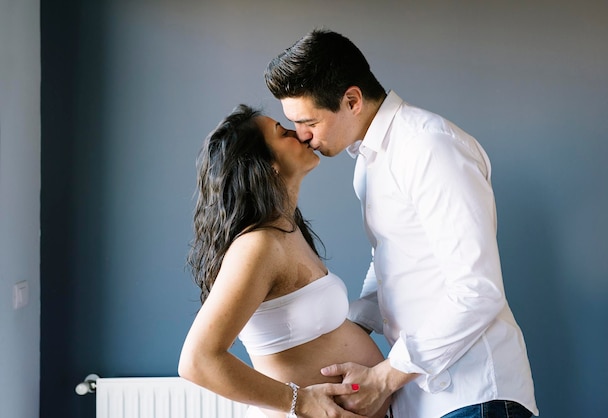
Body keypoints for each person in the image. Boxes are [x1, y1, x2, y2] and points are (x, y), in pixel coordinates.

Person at [265, 29, 539, 418]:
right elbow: (395, 264)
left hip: (474, 394)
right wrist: (349, 331)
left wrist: (384, 378)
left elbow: (478, 289)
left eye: (308, 121)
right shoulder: (367, 163)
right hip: (421, 400)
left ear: (352, 100)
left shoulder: (430, 145)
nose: (303, 137)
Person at [177, 104, 391, 418]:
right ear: (267, 165)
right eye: (283, 132)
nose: (301, 133)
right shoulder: (258, 245)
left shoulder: (287, 230)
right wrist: (302, 402)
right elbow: (197, 361)